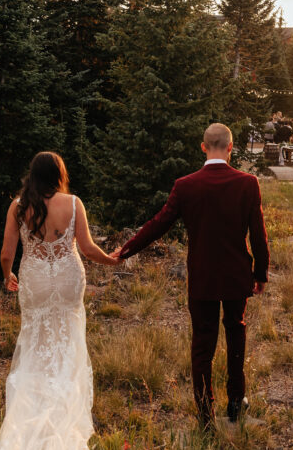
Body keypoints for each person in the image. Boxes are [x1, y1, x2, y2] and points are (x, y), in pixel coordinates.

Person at [0, 152, 119, 450]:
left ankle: (34, 403)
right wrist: (110, 260)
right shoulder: (73, 203)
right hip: (68, 279)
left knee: (36, 341)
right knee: (67, 342)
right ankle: (63, 410)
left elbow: (7, 252)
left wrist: (7, 273)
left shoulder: (18, 206)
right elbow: (85, 247)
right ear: (59, 174)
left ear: (32, 175)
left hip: (36, 278)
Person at [111, 123, 269, 428]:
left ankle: (205, 412)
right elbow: (258, 234)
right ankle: (236, 401)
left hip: (203, 277)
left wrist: (126, 250)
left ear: (203, 147)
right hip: (237, 275)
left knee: (202, 344)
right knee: (236, 332)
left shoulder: (186, 185)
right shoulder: (248, 183)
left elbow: (159, 224)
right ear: (231, 147)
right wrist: (260, 273)